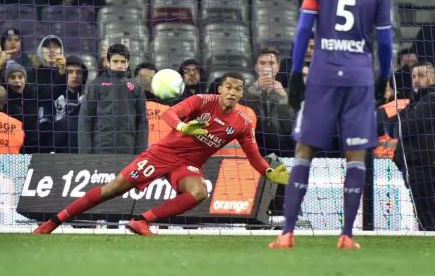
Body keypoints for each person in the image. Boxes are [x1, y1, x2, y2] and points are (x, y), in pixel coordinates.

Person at [33, 73, 290, 235]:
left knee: (199, 192)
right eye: (228, 88)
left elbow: (253, 155)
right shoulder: (202, 101)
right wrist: (182, 126)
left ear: (241, 94)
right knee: (112, 189)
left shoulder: (243, 122)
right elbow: (170, 114)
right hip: (162, 154)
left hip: (188, 164)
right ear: (220, 89)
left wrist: (267, 171)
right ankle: (54, 222)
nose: (232, 93)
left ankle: (142, 221)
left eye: (237, 89)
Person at [270, 0, 392, 250]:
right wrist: (383, 78)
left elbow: (302, 30)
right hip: (359, 76)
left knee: (304, 150)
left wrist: (295, 75)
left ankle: (287, 233)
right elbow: (384, 40)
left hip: (323, 74)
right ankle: (347, 235)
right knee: (356, 154)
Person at [394, 62, 435, 232]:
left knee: (425, 212)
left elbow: (404, 128)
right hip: (419, 165)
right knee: (423, 211)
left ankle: (432, 241)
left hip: (425, 165)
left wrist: (403, 120)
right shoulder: (419, 101)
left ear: (432, 77)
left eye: (421, 75)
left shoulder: (434, 100)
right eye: (413, 76)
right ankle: (431, 240)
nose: (416, 80)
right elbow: (396, 128)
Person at [78, 44, 148, 154]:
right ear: (108, 62)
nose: (119, 65)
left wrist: (141, 153)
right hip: (100, 149)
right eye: (115, 61)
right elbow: (86, 119)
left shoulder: (136, 87)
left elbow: (142, 122)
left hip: (128, 149)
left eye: (123, 61)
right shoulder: (96, 84)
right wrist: (84, 153)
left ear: (128, 63)